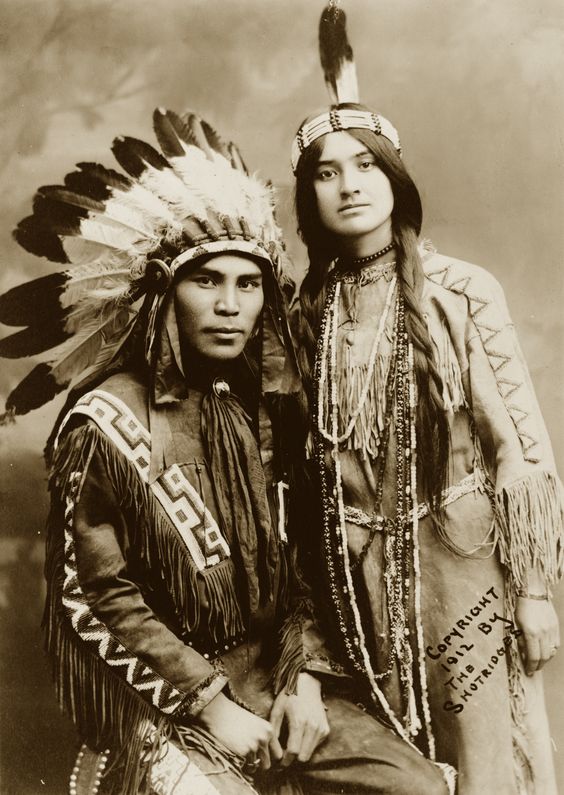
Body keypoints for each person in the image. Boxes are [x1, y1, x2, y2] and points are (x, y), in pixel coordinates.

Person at [0, 108, 450, 794]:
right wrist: (212, 704)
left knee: (416, 784)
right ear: (164, 294)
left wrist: (302, 679)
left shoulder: (262, 410)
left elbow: (302, 566)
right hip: (164, 700)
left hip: (273, 672)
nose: (229, 305)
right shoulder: (107, 421)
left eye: (248, 285)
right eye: (206, 280)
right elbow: (94, 596)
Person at [288, 4, 562, 794]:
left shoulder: (461, 293)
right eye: (327, 172)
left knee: (484, 764)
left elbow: (521, 453)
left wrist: (535, 594)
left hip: (462, 568)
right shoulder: (306, 315)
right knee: (395, 769)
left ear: (395, 177)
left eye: (366, 165)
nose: (349, 186)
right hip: (355, 583)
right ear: (309, 196)